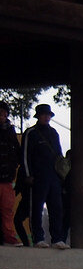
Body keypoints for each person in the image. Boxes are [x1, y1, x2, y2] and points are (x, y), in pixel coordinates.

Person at [22, 103, 68, 248]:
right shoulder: (31, 133)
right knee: (36, 208)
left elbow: (59, 155)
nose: (47, 117)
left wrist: (62, 176)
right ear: (38, 116)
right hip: (38, 177)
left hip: (54, 177)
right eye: (44, 114)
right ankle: (38, 238)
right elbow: (25, 155)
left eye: (48, 115)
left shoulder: (54, 133)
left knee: (56, 208)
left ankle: (57, 238)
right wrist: (28, 174)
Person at [0, 101, 21, 246]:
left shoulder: (10, 131)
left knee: (7, 211)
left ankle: (9, 238)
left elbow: (18, 152)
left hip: (7, 179)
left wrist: (13, 165)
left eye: (3, 113)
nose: (1, 116)